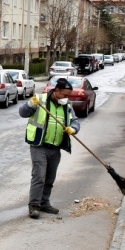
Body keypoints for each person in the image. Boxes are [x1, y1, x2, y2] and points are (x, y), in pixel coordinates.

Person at [18, 77, 80, 219]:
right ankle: (34, 206)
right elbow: (22, 113)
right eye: (65, 95)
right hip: (39, 146)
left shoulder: (66, 106)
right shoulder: (40, 100)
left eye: (68, 96)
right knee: (39, 176)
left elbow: (75, 120)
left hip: (55, 147)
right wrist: (30, 104)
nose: (67, 98)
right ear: (56, 91)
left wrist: (73, 129)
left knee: (50, 178)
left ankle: (44, 203)